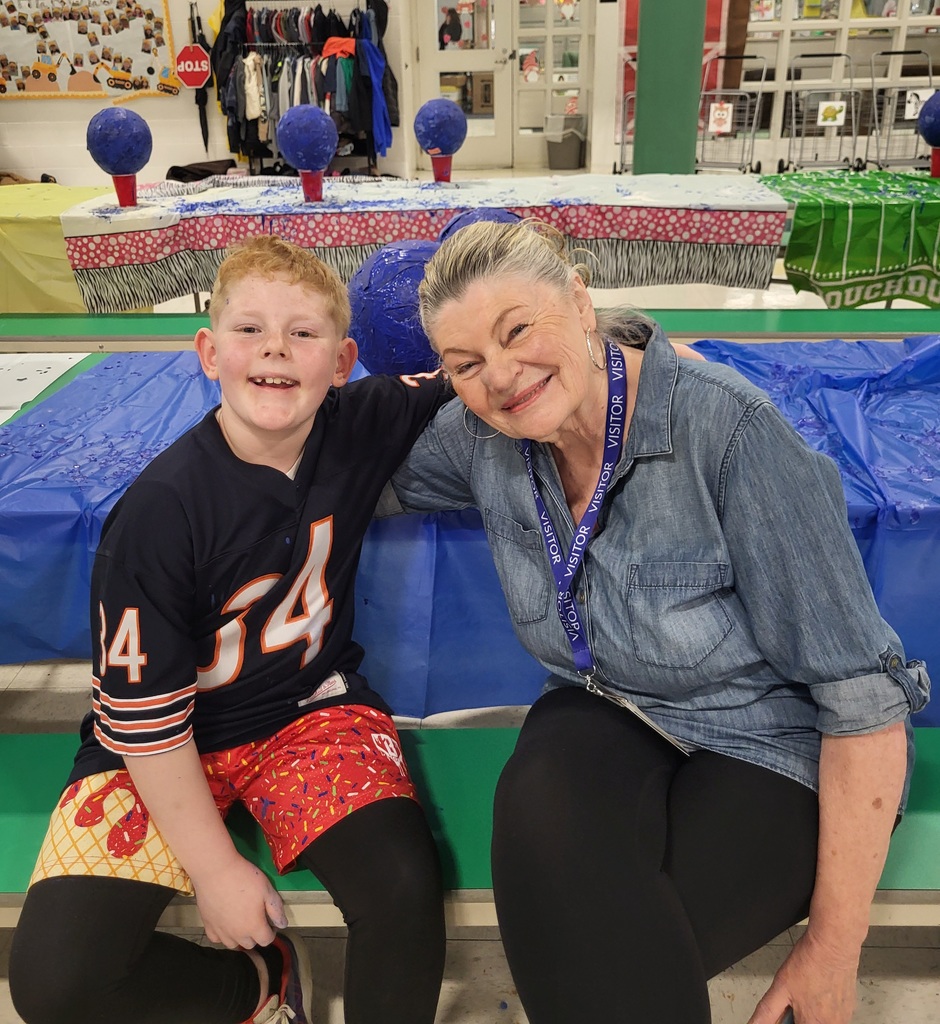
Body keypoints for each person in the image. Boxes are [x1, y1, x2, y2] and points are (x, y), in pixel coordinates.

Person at [384, 219, 931, 1024]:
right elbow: (344, 473)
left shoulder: (731, 432)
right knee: (537, 809)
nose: (500, 376)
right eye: (465, 365)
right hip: (603, 702)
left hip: (765, 739)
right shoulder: (479, 436)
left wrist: (832, 953)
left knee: (596, 963)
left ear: (578, 299)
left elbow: (864, 705)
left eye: (517, 330)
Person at [9, 236, 449, 1024]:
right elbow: (142, 721)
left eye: (303, 334)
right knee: (55, 983)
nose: (276, 348)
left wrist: (609, 350)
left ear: (343, 360)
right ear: (209, 352)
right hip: (164, 741)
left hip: (305, 711)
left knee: (404, 889)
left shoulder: (363, 419)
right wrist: (215, 871)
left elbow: (466, 376)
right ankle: (257, 985)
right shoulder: (158, 513)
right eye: (250, 330)